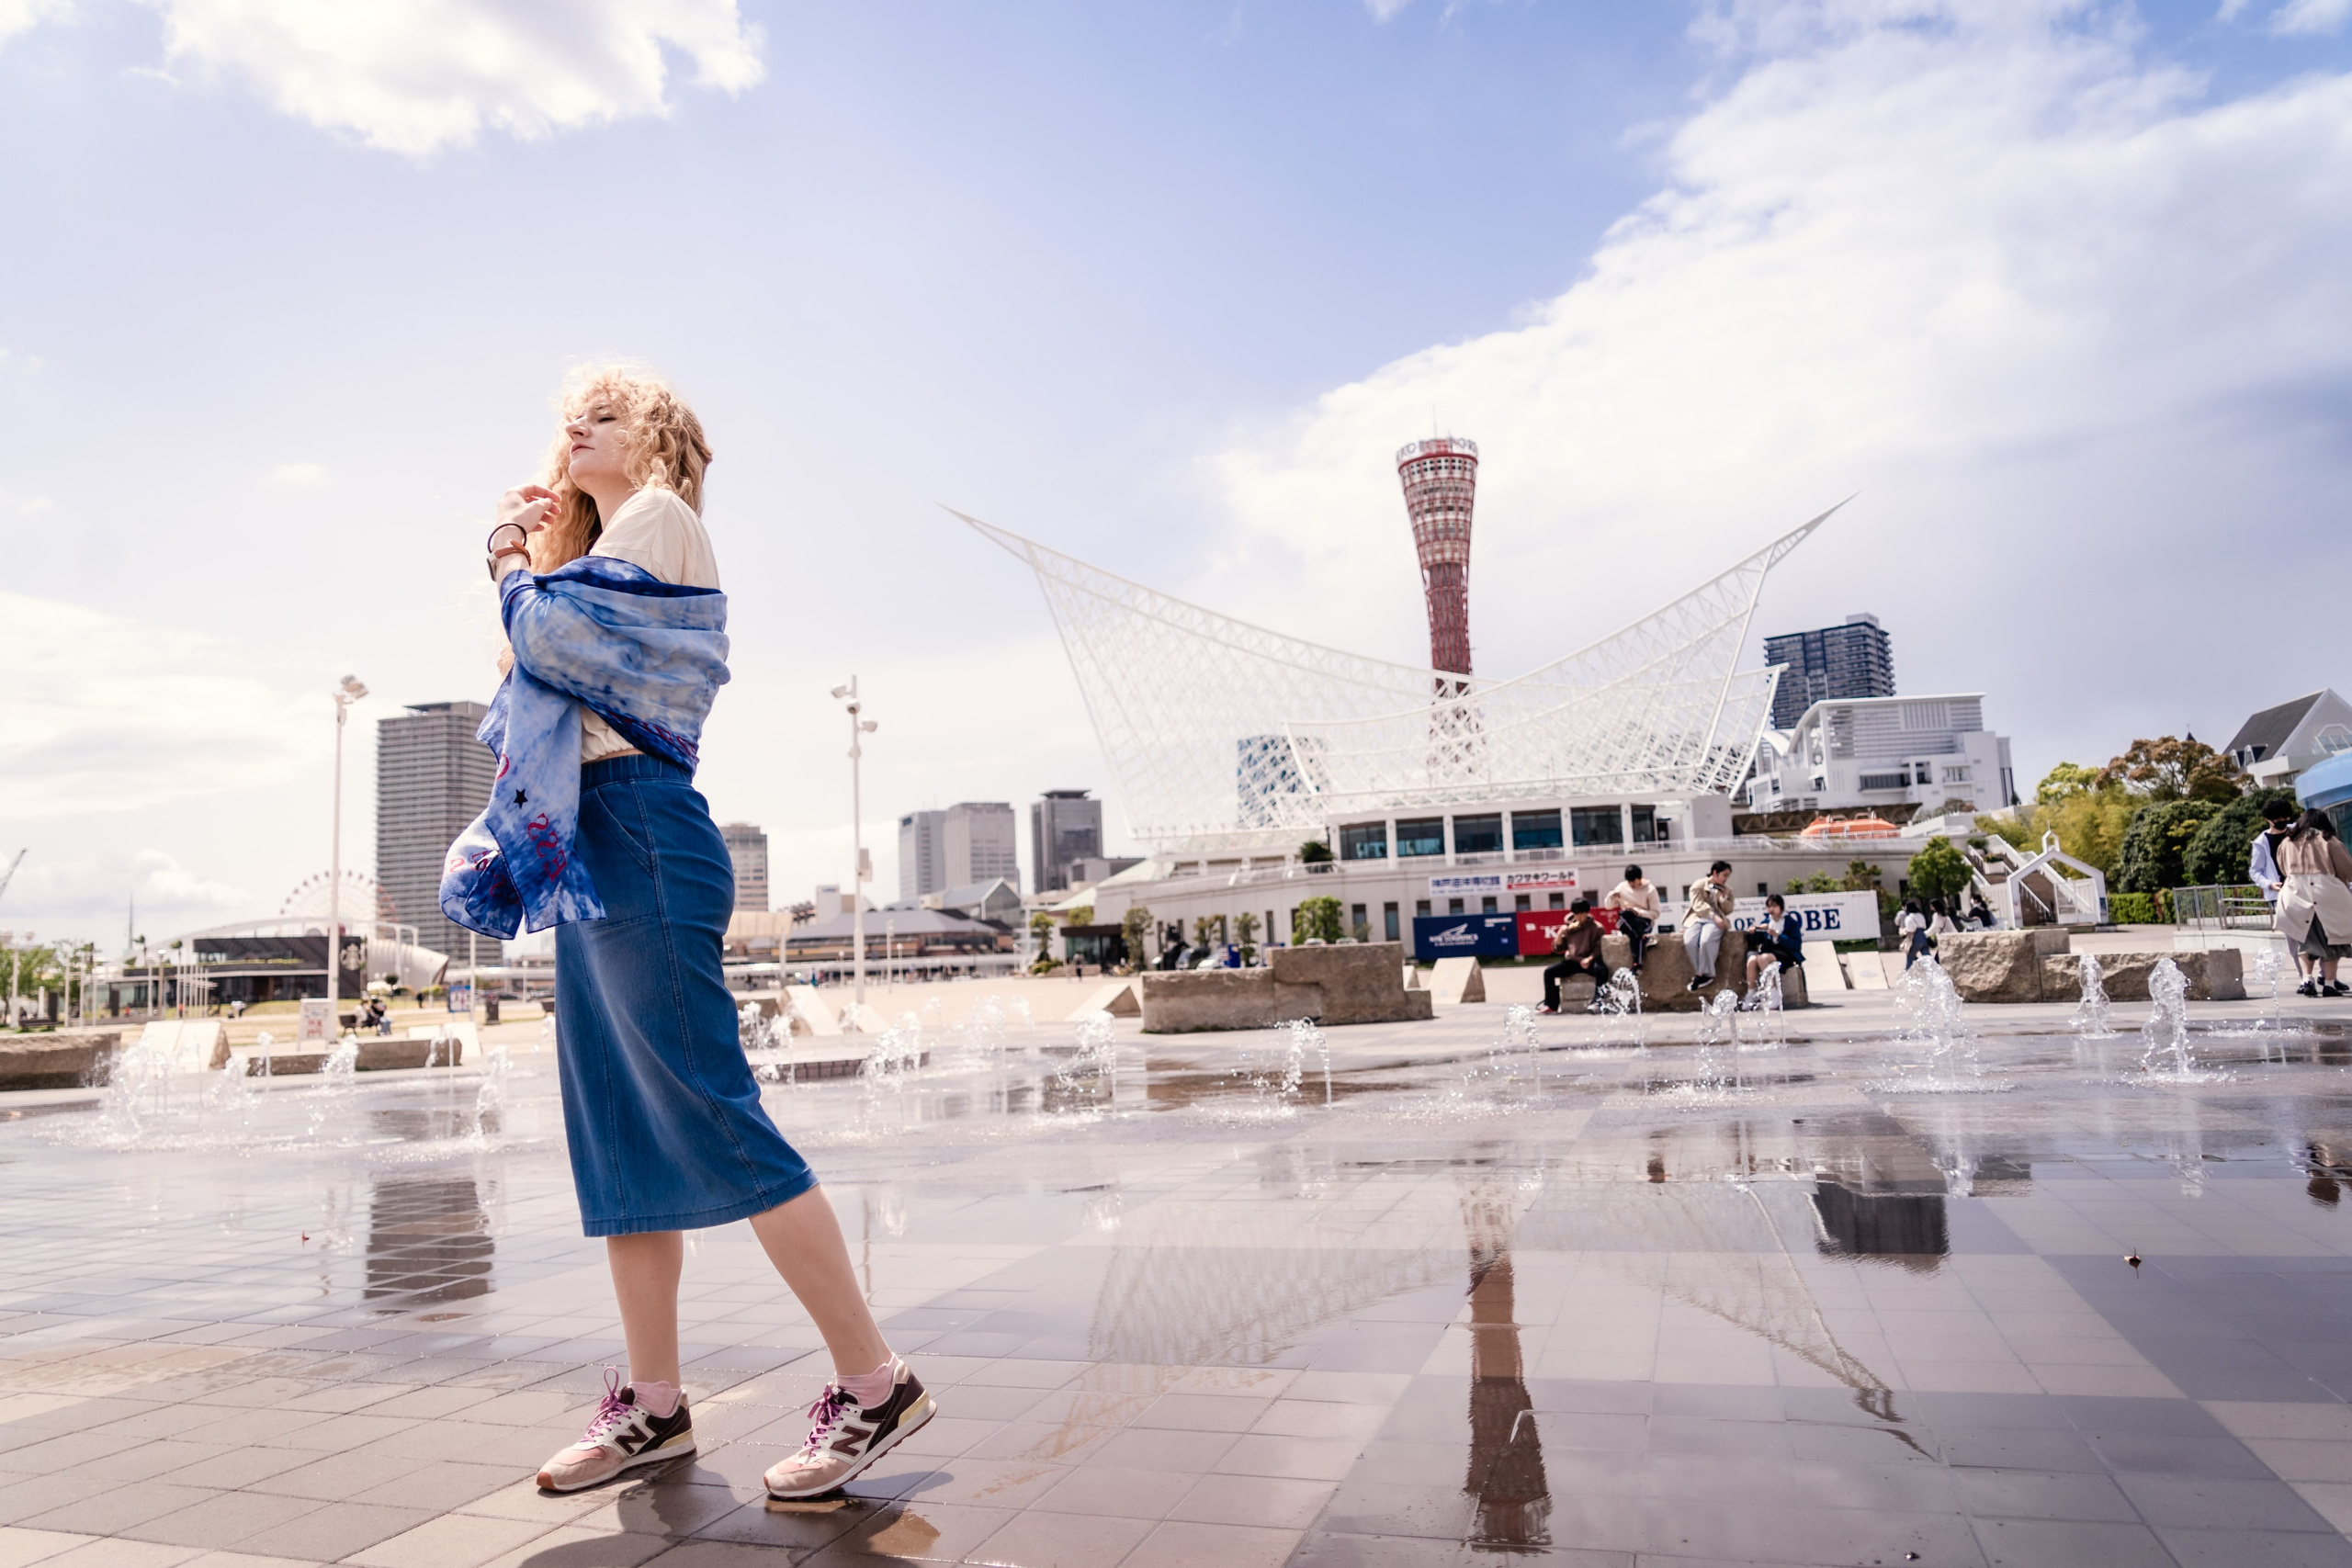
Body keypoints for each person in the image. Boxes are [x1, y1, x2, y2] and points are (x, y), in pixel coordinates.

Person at [449, 368, 933, 1501]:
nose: (579, 427)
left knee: (715, 1112)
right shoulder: (600, 554)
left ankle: (875, 1380)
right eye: (572, 416)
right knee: (620, 1139)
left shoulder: (659, 521)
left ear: (659, 444)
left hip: (641, 833)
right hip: (592, 843)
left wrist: (506, 555)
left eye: (605, 417)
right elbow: (541, 653)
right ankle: (653, 1409)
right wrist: (541, 545)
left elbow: (550, 640)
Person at [2273, 809, 2352, 998]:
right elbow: (2345, 868)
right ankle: (2330, 984)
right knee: (2332, 939)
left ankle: (2306, 979)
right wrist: (2340, 884)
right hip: (2326, 892)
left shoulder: (2287, 841)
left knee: (2305, 939)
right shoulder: (2329, 840)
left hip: (2295, 892)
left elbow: (2283, 867)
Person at [2251, 797, 2310, 985]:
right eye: (2278, 819)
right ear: (2268, 820)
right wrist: (2269, 884)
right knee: (2293, 938)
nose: (2282, 821)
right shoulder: (2262, 841)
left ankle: (2325, 975)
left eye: (2286, 817)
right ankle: (2305, 978)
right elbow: (2255, 870)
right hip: (2281, 894)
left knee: (2316, 933)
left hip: (2305, 888)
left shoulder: (2299, 831)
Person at [1541, 899, 1611, 1013]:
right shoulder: (1570, 928)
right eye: (1577, 913)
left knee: (1602, 970)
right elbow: (1557, 948)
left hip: (1590, 961)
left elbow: (1599, 948)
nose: (1580, 916)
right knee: (1549, 972)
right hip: (1574, 961)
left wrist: (1590, 958)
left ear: (1587, 912)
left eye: (1582, 913)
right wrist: (1559, 934)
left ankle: (1598, 1002)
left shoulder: (1597, 928)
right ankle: (1551, 1005)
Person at [1682, 861, 1736, 991]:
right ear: (1715, 872)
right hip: (1697, 919)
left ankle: (1703, 974)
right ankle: (1702, 973)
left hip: (1717, 922)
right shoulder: (1698, 885)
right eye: (1724, 875)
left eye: (1728, 876)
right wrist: (1713, 916)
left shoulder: (1727, 889)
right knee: (1689, 941)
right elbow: (1698, 905)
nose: (1726, 879)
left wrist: (1723, 898)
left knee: (1706, 941)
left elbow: (1728, 910)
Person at [1742, 894, 1804, 1005]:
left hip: (1786, 953)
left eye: (1774, 906)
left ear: (1781, 907)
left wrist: (1778, 936)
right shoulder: (1767, 922)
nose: (1771, 909)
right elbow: (1757, 941)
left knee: (1763, 958)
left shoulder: (1791, 923)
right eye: (1769, 906)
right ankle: (1751, 993)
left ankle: (1773, 993)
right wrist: (1753, 932)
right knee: (1752, 960)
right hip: (1770, 952)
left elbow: (1796, 944)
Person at [1605, 864, 1661, 972]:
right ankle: (1638, 963)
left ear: (1640, 879)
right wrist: (1612, 896)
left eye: (1633, 882)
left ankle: (1637, 963)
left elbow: (1656, 913)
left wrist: (1638, 912)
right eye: (1629, 882)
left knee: (1635, 932)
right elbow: (1608, 906)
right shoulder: (1622, 887)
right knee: (1626, 916)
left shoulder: (1650, 890)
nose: (1631, 884)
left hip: (1644, 921)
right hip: (1626, 920)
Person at [1897, 898, 1930, 968]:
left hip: (1915, 938)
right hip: (1923, 937)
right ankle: (1932, 970)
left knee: (1910, 957)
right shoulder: (1921, 915)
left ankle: (1908, 973)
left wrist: (1903, 931)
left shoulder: (1909, 918)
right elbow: (1924, 926)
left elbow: (1911, 929)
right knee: (1927, 957)